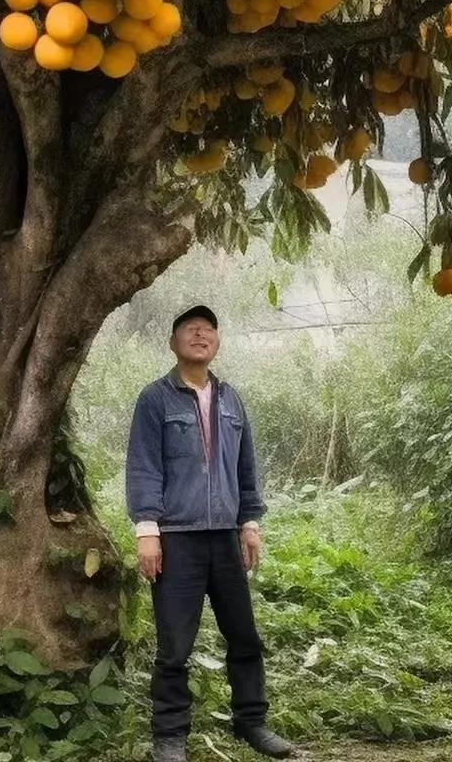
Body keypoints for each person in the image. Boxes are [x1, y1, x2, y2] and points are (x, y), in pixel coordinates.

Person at [126, 304, 295, 762]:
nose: (200, 335)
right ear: (174, 343)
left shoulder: (232, 399)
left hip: (224, 537)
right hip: (177, 538)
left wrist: (251, 523)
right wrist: (147, 530)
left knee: (243, 636)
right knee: (174, 646)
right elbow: (144, 466)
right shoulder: (155, 399)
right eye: (190, 329)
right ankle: (170, 737)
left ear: (217, 343)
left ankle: (252, 722)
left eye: (208, 330)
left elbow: (246, 467)